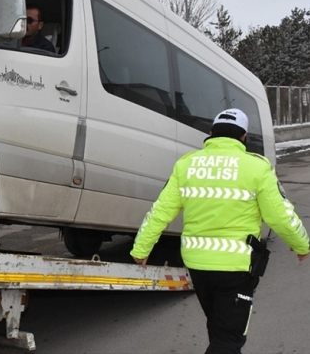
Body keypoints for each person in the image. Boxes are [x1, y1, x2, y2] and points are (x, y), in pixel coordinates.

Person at [130, 108, 309, 354]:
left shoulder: (187, 165)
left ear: (212, 133)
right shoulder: (256, 167)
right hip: (235, 267)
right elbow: (281, 216)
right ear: (244, 136)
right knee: (228, 340)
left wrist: (141, 249)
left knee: (218, 328)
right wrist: (302, 245)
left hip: (198, 265)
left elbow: (159, 212)